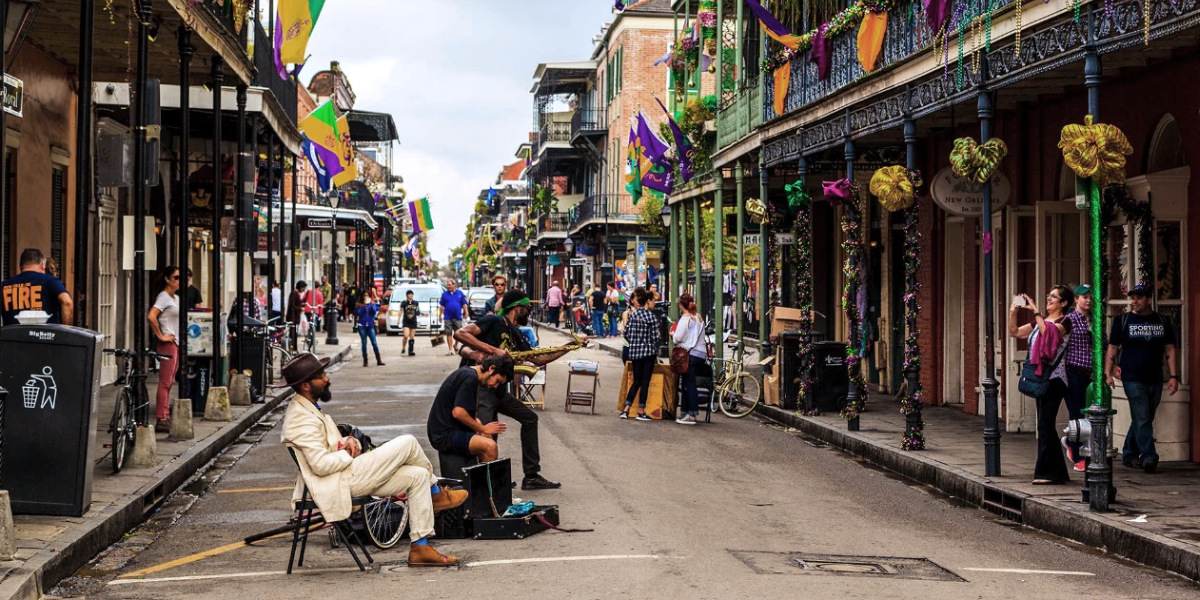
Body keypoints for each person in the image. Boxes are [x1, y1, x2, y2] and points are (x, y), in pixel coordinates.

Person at [278, 353, 467, 567]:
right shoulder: (299, 419)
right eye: (321, 376)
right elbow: (320, 465)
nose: (327, 378)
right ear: (305, 385)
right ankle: (436, 494)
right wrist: (348, 453)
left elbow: (327, 447)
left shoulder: (308, 408)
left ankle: (420, 547)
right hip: (339, 481)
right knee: (408, 442)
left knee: (418, 475)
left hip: (345, 474)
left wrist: (348, 442)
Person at [454, 289, 575, 490]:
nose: (529, 312)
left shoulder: (516, 333)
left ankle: (531, 476)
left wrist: (568, 347)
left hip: (499, 391)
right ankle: (487, 483)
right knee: (487, 434)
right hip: (482, 388)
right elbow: (460, 334)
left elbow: (538, 358)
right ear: (517, 308)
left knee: (529, 418)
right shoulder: (492, 321)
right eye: (527, 308)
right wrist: (491, 350)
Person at [1105, 284, 1180, 474]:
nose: (1134, 302)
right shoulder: (1123, 321)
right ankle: (1149, 455)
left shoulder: (1162, 321)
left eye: (1139, 298)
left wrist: (1173, 376)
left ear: (1148, 300)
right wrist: (1108, 371)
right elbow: (1112, 348)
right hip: (1132, 377)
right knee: (1143, 417)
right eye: (1132, 298)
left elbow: (1169, 349)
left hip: (1155, 377)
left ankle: (1129, 453)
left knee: (1143, 417)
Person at [1009, 286, 1074, 485]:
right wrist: (1013, 312)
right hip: (1041, 378)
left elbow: (1049, 335)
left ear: (1063, 303)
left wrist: (1036, 311)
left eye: (1053, 297)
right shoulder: (1040, 322)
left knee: (1045, 425)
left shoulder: (1065, 321)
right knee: (1045, 426)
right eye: (1049, 295)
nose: (1049, 299)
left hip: (1055, 380)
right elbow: (1015, 332)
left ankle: (1048, 473)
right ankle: (1058, 472)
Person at [426, 356, 512, 464]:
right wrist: (483, 428)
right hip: (444, 434)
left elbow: (463, 408)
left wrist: (478, 425)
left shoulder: (469, 373)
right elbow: (458, 412)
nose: (495, 386)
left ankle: (479, 476)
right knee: (490, 447)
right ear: (491, 368)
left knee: (487, 437)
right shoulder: (470, 378)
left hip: (449, 428)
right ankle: (487, 480)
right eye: (497, 381)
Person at [1061, 284, 1095, 472]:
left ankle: (1084, 448)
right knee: (1077, 414)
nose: (1088, 300)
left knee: (1092, 415)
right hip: (1073, 371)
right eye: (1084, 297)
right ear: (1076, 299)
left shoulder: (1096, 320)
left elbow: (1103, 345)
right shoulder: (1070, 319)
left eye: (1090, 297)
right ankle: (1077, 454)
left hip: (1091, 374)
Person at [147, 266, 182, 433]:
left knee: (170, 382)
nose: (178, 281)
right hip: (168, 343)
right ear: (167, 279)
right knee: (165, 381)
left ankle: (165, 414)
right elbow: (151, 315)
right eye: (176, 277)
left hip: (175, 343)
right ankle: (162, 417)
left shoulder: (175, 298)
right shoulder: (163, 297)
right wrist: (161, 335)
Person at [1, 248, 73, 326]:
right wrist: (66, 332)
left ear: (21, 266)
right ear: (42, 265)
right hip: (47, 335)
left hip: (12, 336)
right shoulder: (50, 281)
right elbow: (67, 302)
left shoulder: (4, 286)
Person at [620, 287, 661, 421]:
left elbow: (626, 334)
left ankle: (626, 409)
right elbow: (656, 337)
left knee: (636, 381)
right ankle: (641, 411)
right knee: (645, 382)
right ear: (647, 301)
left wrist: (635, 342)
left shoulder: (633, 315)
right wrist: (649, 343)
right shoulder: (651, 316)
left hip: (635, 352)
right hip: (648, 353)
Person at [672, 293, 706, 425]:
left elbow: (678, 338)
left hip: (690, 354)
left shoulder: (685, 319)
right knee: (688, 383)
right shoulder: (698, 317)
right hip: (700, 354)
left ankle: (692, 414)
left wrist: (672, 334)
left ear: (681, 305)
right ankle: (685, 412)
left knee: (689, 384)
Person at [356, 290, 385, 367]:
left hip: (370, 325)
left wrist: (371, 305)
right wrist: (364, 306)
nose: (366, 297)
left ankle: (379, 360)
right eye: (364, 295)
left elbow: (374, 312)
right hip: (362, 325)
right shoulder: (359, 305)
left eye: (367, 295)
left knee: (374, 342)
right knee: (364, 343)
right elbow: (359, 313)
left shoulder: (372, 304)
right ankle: (365, 361)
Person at [439, 279, 468, 355]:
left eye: (449, 285)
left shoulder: (460, 293)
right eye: (447, 285)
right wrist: (440, 315)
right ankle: (450, 349)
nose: (448, 286)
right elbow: (441, 306)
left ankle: (455, 345)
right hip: (447, 317)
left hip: (457, 316)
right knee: (448, 333)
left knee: (458, 333)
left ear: (454, 285)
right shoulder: (444, 294)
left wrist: (466, 312)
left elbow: (464, 304)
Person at [400, 290, 421, 357]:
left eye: (411, 294)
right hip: (406, 321)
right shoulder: (404, 303)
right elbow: (400, 311)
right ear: (407, 295)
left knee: (412, 337)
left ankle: (411, 350)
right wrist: (398, 319)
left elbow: (417, 311)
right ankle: (403, 347)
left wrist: (421, 313)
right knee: (406, 335)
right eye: (409, 294)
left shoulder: (415, 302)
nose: (410, 296)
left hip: (413, 321)